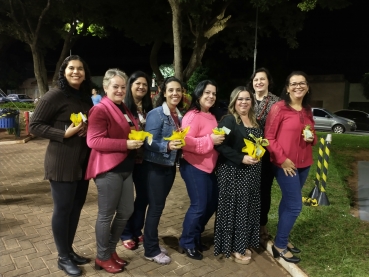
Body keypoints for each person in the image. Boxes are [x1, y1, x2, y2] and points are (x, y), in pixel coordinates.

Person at [29, 55, 93, 277]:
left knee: (75, 209)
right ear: (64, 72)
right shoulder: (54, 95)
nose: (76, 72)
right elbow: (35, 126)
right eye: (71, 68)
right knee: (63, 210)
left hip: (82, 163)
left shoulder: (85, 97)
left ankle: (69, 250)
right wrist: (63, 133)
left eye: (80, 69)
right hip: (62, 162)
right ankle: (62, 258)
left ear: (85, 73)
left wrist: (86, 129)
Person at [85, 68, 143, 273]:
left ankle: (110, 251)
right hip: (109, 169)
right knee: (105, 214)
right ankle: (101, 256)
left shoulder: (123, 108)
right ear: (105, 87)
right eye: (115, 86)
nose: (119, 90)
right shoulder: (100, 109)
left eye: (122, 87)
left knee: (126, 211)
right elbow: (93, 140)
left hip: (126, 168)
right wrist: (125, 144)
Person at [265, 71, 316, 264]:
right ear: (287, 88)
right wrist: (282, 159)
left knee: (287, 202)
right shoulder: (279, 108)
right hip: (286, 165)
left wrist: (312, 137)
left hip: (305, 164)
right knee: (295, 206)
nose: (298, 86)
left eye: (302, 83)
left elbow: (313, 135)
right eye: (293, 84)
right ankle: (279, 245)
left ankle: (283, 238)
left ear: (307, 87)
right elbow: (268, 137)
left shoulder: (307, 110)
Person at [214, 86, 262, 265]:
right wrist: (241, 158)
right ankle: (235, 247)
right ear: (234, 101)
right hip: (234, 173)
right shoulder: (228, 121)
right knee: (236, 210)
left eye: (247, 99)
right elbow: (219, 145)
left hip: (252, 173)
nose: (244, 102)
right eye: (240, 99)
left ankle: (243, 242)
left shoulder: (255, 121)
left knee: (248, 209)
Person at [178, 80, 224, 260]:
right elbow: (185, 142)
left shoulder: (211, 116)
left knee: (211, 203)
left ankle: (195, 236)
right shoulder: (192, 115)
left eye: (213, 93)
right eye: (207, 93)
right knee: (198, 206)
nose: (211, 96)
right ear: (199, 95)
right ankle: (187, 242)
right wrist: (210, 140)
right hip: (193, 166)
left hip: (208, 168)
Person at [143, 76, 184, 265]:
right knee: (155, 208)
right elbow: (148, 141)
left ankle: (152, 243)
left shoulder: (178, 114)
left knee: (158, 207)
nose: (175, 93)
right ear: (163, 92)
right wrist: (167, 147)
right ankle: (150, 249)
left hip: (169, 167)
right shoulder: (156, 113)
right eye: (171, 90)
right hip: (156, 167)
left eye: (178, 90)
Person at [120, 71, 153, 250]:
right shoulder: (122, 107)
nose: (141, 87)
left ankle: (136, 229)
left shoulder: (149, 108)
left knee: (143, 197)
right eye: (137, 83)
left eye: (145, 84)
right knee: (125, 199)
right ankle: (125, 233)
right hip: (125, 159)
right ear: (130, 85)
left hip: (144, 160)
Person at [247, 68, 280, 243]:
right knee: (247, 189)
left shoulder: (277, 103)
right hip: (247, 151)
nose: (258, 82)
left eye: (262, 79)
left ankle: (262, 224)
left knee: (264, 190)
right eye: (255, 79)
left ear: (268, 81)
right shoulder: (246, 99)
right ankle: (246, 224)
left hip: (267, 153)